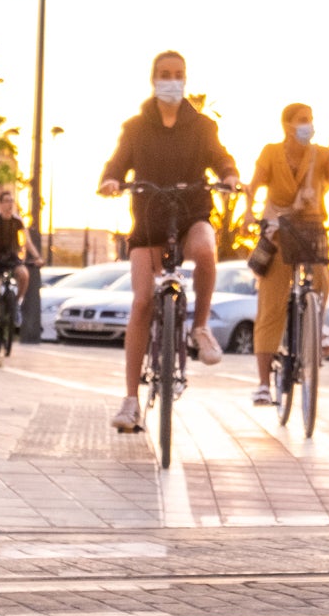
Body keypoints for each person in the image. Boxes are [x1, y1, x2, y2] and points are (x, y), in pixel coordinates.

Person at [97, 50, 239, 432]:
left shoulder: (202, 125)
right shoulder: (135, 127)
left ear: (186, 78)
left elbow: (221, 158)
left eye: (177, 74)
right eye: (164, 74)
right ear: (153, 79)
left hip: (193, 211)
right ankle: (130, 401)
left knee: (206, 250)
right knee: (142, 302)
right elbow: (117, 163)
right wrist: (110, 180)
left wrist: (228, 175)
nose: (171, 80)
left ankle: (201, 327)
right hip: (147, 220)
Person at [242, 103, 329, 406]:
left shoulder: (323, 155)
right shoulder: (271, 153)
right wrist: (248, 213)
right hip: (277, 228)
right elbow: (254, 186)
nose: (308, 125)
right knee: (271, 304)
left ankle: (316, 325)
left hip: (312, 228)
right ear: (287, 125)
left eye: (310, 120)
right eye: (302, 121)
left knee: (322, 278)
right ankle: (263, 384)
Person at [0, 188, 40, 329]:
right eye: (6, 201)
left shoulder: (18, 220)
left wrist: (37, 257)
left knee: (24, 275)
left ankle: (16, 304)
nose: (9, 204)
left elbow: (27, 242)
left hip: (12, 257)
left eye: (11, 201)